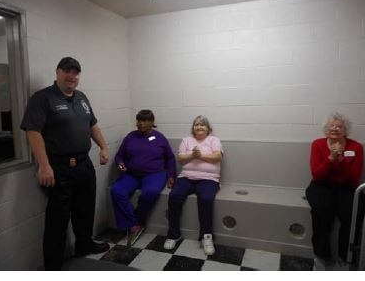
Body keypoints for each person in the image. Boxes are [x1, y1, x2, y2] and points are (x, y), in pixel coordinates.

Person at [20, 57, 110, 270]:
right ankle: (53, 264)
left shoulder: (81, 97)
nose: (72, 76)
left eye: (76, 73)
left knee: (85, 210)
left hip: (84, 165)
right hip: (59, 167)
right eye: (67, 71)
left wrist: (104, 147)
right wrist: (44, 165)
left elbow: (92, 125)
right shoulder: (43, 98)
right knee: (57, 219)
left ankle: (84, 245)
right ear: (58, 72)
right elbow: (33, 132)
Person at [305, 112, 365, 270]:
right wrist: (330, 159)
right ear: (326, 129)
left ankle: (346, 258)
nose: (334, 129)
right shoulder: (317, 144)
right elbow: (317, 174)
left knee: (353, 213)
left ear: (345, 130)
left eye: (339, 126)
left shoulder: (356, 147)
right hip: (321, 185)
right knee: (321, 211)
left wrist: (340, 161)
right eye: (331, 126)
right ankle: (321, 256)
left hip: (347, 187)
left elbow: (354, 178)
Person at [111, 109, 176, 246]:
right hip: (132, 174)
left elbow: (170, 157)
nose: (141, 123)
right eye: (139, 120)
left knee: (150, 192)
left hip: (155, 174)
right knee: (116, 190)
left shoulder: (160, 138)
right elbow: (119, 155)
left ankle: (137, 220)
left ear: (152, 122)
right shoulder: (130, 137)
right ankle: (133, 224)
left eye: (145, 120)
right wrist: (120, 163)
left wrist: (171, 175)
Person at [164, 115, 223, 256]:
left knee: (206, 199)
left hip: (209, 179)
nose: (199, 127)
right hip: (186, 178)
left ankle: (206, 237)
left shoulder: (214, 140)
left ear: (208, 128)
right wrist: (192, 155)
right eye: (196, 124)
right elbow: (181, 159)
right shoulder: (186, 140)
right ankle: (173, 234)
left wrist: (200, 155)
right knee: (174, 196)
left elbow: (217, 157)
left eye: (202, 125)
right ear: (193, 128)